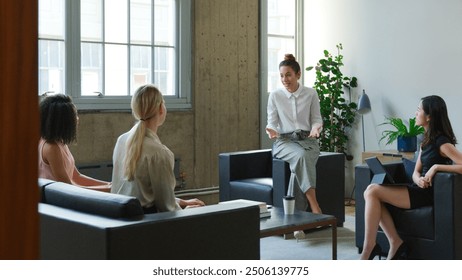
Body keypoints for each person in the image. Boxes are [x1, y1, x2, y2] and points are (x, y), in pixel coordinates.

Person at [360, 95, 462, 260]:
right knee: (371, 192)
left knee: (371, 191)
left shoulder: (442, 142)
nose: (415, 113)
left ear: (429, 116)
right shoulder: (425, 141)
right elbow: (415, 172)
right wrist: (418, 179)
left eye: (419, 109)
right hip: (418, 188)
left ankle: (370, 248)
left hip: (428, 195)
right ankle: (393, 242)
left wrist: (437, 167)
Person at [111, 84, 205, 213]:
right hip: (146, 223)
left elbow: (141, 193)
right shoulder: (159, 153)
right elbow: (167, 207)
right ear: (161, 108)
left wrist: (181, 202)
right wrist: (187, 210)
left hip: (120, 218)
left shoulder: (122, 140)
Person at [266, 54, 323, 239]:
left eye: (288, 75)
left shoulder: (311, 93)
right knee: (300, 156)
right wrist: (271, 131)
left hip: (308, 141)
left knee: (297, 168)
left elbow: (316, 119)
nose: (284, 80)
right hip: (284, 142)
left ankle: (296, 223)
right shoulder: (275, 96)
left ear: (298, 74)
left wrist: (315, 130)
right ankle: (315, 206)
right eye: (282, 76)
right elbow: (272, 122)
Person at [39, 94, 111, 192]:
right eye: (75, 115)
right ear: (63, 121)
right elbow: (68, 188)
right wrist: (108, 190)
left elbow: (76, 176)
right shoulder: (51, 148)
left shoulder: (59, 141)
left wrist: (108, 184)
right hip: (56, 200)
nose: (77, 119)